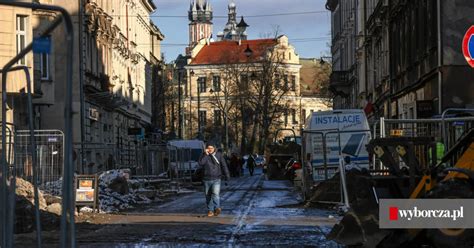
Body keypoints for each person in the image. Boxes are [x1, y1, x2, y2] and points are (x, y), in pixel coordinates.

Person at [198, 143, 230, 217]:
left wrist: (227, 175)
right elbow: (201, 163)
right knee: (208, 195)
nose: (210, 149)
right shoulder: (204, 155)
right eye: (208, 148)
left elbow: (224, 165)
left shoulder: (219, 155)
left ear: (214, 148)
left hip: (216, 178)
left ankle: (217, 208)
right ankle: (210, 210)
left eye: (211, 148)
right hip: (206, 179)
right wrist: (205, 154)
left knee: (215, 194)